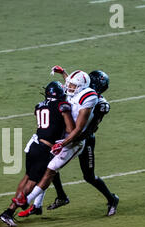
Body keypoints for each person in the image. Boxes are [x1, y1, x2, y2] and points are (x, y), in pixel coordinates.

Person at [14, 70, 99, 212]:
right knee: (46, 169)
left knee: (51, 170)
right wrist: (64, 73)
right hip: (61, 138)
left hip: (74, 141)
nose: (69, 87)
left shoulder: (89, 99)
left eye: (73, 85)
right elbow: (71, 86)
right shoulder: (76, 92)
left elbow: (77, 130)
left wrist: (62, 144)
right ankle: (38, 205)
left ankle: (24, 202)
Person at [45, 66, 119, 216]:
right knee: (50, 166)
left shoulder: (99, 103)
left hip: (83, 138)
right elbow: (71, 85)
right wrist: (64, 73)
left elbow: (90, 127)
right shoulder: (83, 91)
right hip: (70, 135)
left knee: (89, 176)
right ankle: (61, 196)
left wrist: (73, 139)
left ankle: (112, 199)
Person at [0, 81, 75, 226]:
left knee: (27, 177)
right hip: (45, 149)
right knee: (33, 183)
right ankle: (9, 212)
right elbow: (71, 130)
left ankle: (14, 209)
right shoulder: (61, 106)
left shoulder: (39, 106)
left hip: (34, 145)